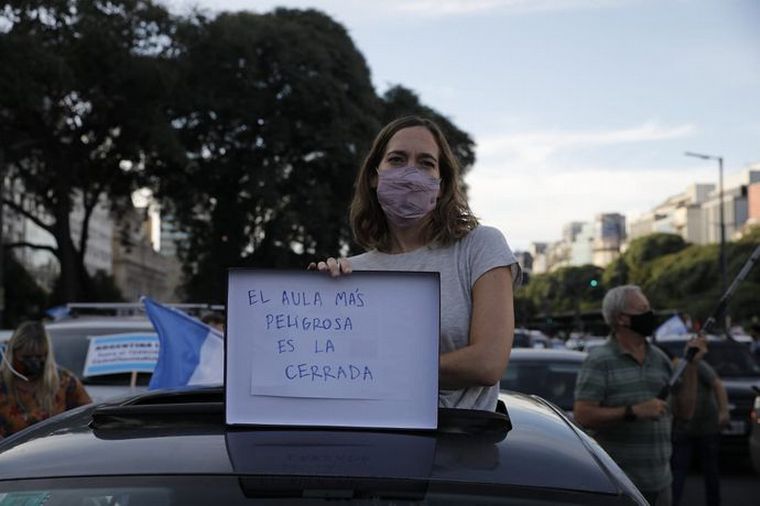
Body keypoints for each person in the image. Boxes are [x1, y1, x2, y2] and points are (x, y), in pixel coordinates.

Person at [309, 115, 521, 411]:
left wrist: (379, 369)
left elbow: (487, 363)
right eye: (397, 160)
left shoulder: (479, 246)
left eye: (425, 163)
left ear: (441, 183)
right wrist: (314, 296)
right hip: (371, 438)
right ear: (373, 176)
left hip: (461, 447)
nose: (410, 173)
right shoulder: (351, 274)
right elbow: (327, 369)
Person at [574, 285, 707, 506]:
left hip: (662, 483)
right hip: (619, 487)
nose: (650, 314)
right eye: (643, 309)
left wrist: (692, 366)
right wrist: (633, 411)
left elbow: (686, 412)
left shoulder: (660, 358)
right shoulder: (599, 361)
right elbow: (583, 414)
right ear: (622, 319)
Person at [0, 321, 91, 437]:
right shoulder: (2, 383)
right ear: (12, 354)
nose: (33, 362)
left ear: (47, 355)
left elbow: (86, 419)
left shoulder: (65, 382)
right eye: (26, 357)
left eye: (39, 357)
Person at [669, 354, 729, 506]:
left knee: (703, 469)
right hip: (687, 427)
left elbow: (717, 385)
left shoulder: (694, 365)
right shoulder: (673, 369)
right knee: (682, 469)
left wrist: (723, 412)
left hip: (704, 426)